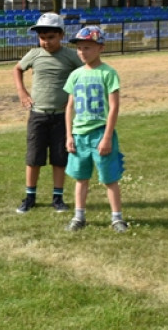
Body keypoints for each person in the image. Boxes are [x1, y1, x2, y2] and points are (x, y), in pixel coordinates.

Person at [12, 12, 83, 214]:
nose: (46, 42)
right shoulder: (34, 54)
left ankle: (58, 198)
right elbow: (17, 69)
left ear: (61, 35)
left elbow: (83, 74)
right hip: (38, 115)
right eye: (42, 37)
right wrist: (22, 92)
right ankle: (30, 197)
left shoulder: (70, 56)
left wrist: (72, 99)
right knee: (34, 158)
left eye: (51, 37)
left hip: (61, 118)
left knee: (60, 158)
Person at [63, 25, 128, 232]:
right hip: (79, 135)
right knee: (81, 178)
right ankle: (79, 216)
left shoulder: (108, 73)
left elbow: (114, 106)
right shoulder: (75, 75)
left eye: (87, 48)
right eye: (80, 48)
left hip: (100, 132)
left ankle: (117, 218)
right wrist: (69, 135)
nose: (82, 52)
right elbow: (69, 107)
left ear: (101, 48)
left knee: (109, 178)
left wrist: (107, 137)